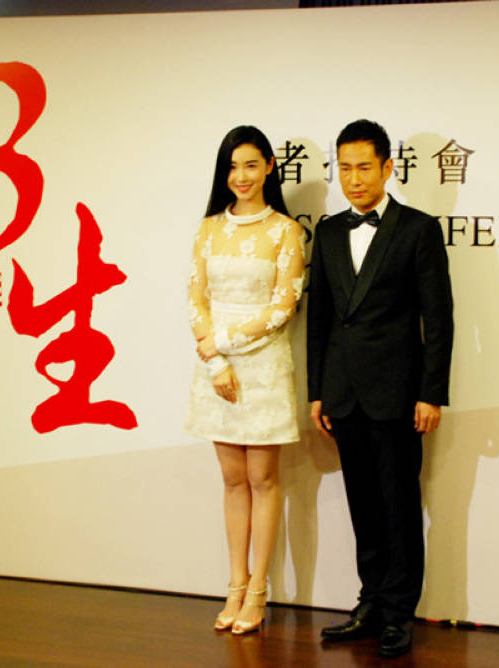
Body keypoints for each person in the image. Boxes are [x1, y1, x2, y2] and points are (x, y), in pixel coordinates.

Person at [306, 119, 454, 658]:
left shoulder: (418, 229)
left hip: (398, 394)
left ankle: (398, 612)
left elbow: (439, 317)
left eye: (364, 167)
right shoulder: (327, 232)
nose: (354, 179)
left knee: (399, 505)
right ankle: (369, 602)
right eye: (345, 168)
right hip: (343, 395)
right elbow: (320, 319)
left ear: (389, 168)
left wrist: (431, 393)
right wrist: (318, 391)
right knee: (362, 505)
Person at [185, 125, 305, 635]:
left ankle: (259, 588)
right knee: (233, 479)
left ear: (270, 167)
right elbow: (196, 298)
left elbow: (283, 307)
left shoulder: (285, 231)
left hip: (264, 366)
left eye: (251, 165)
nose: (241, 176)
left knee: (263, 478)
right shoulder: (209, 228)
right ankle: (234, 584)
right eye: (232, 167)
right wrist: (214, 362)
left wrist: (222, 345)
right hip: (217, 371)